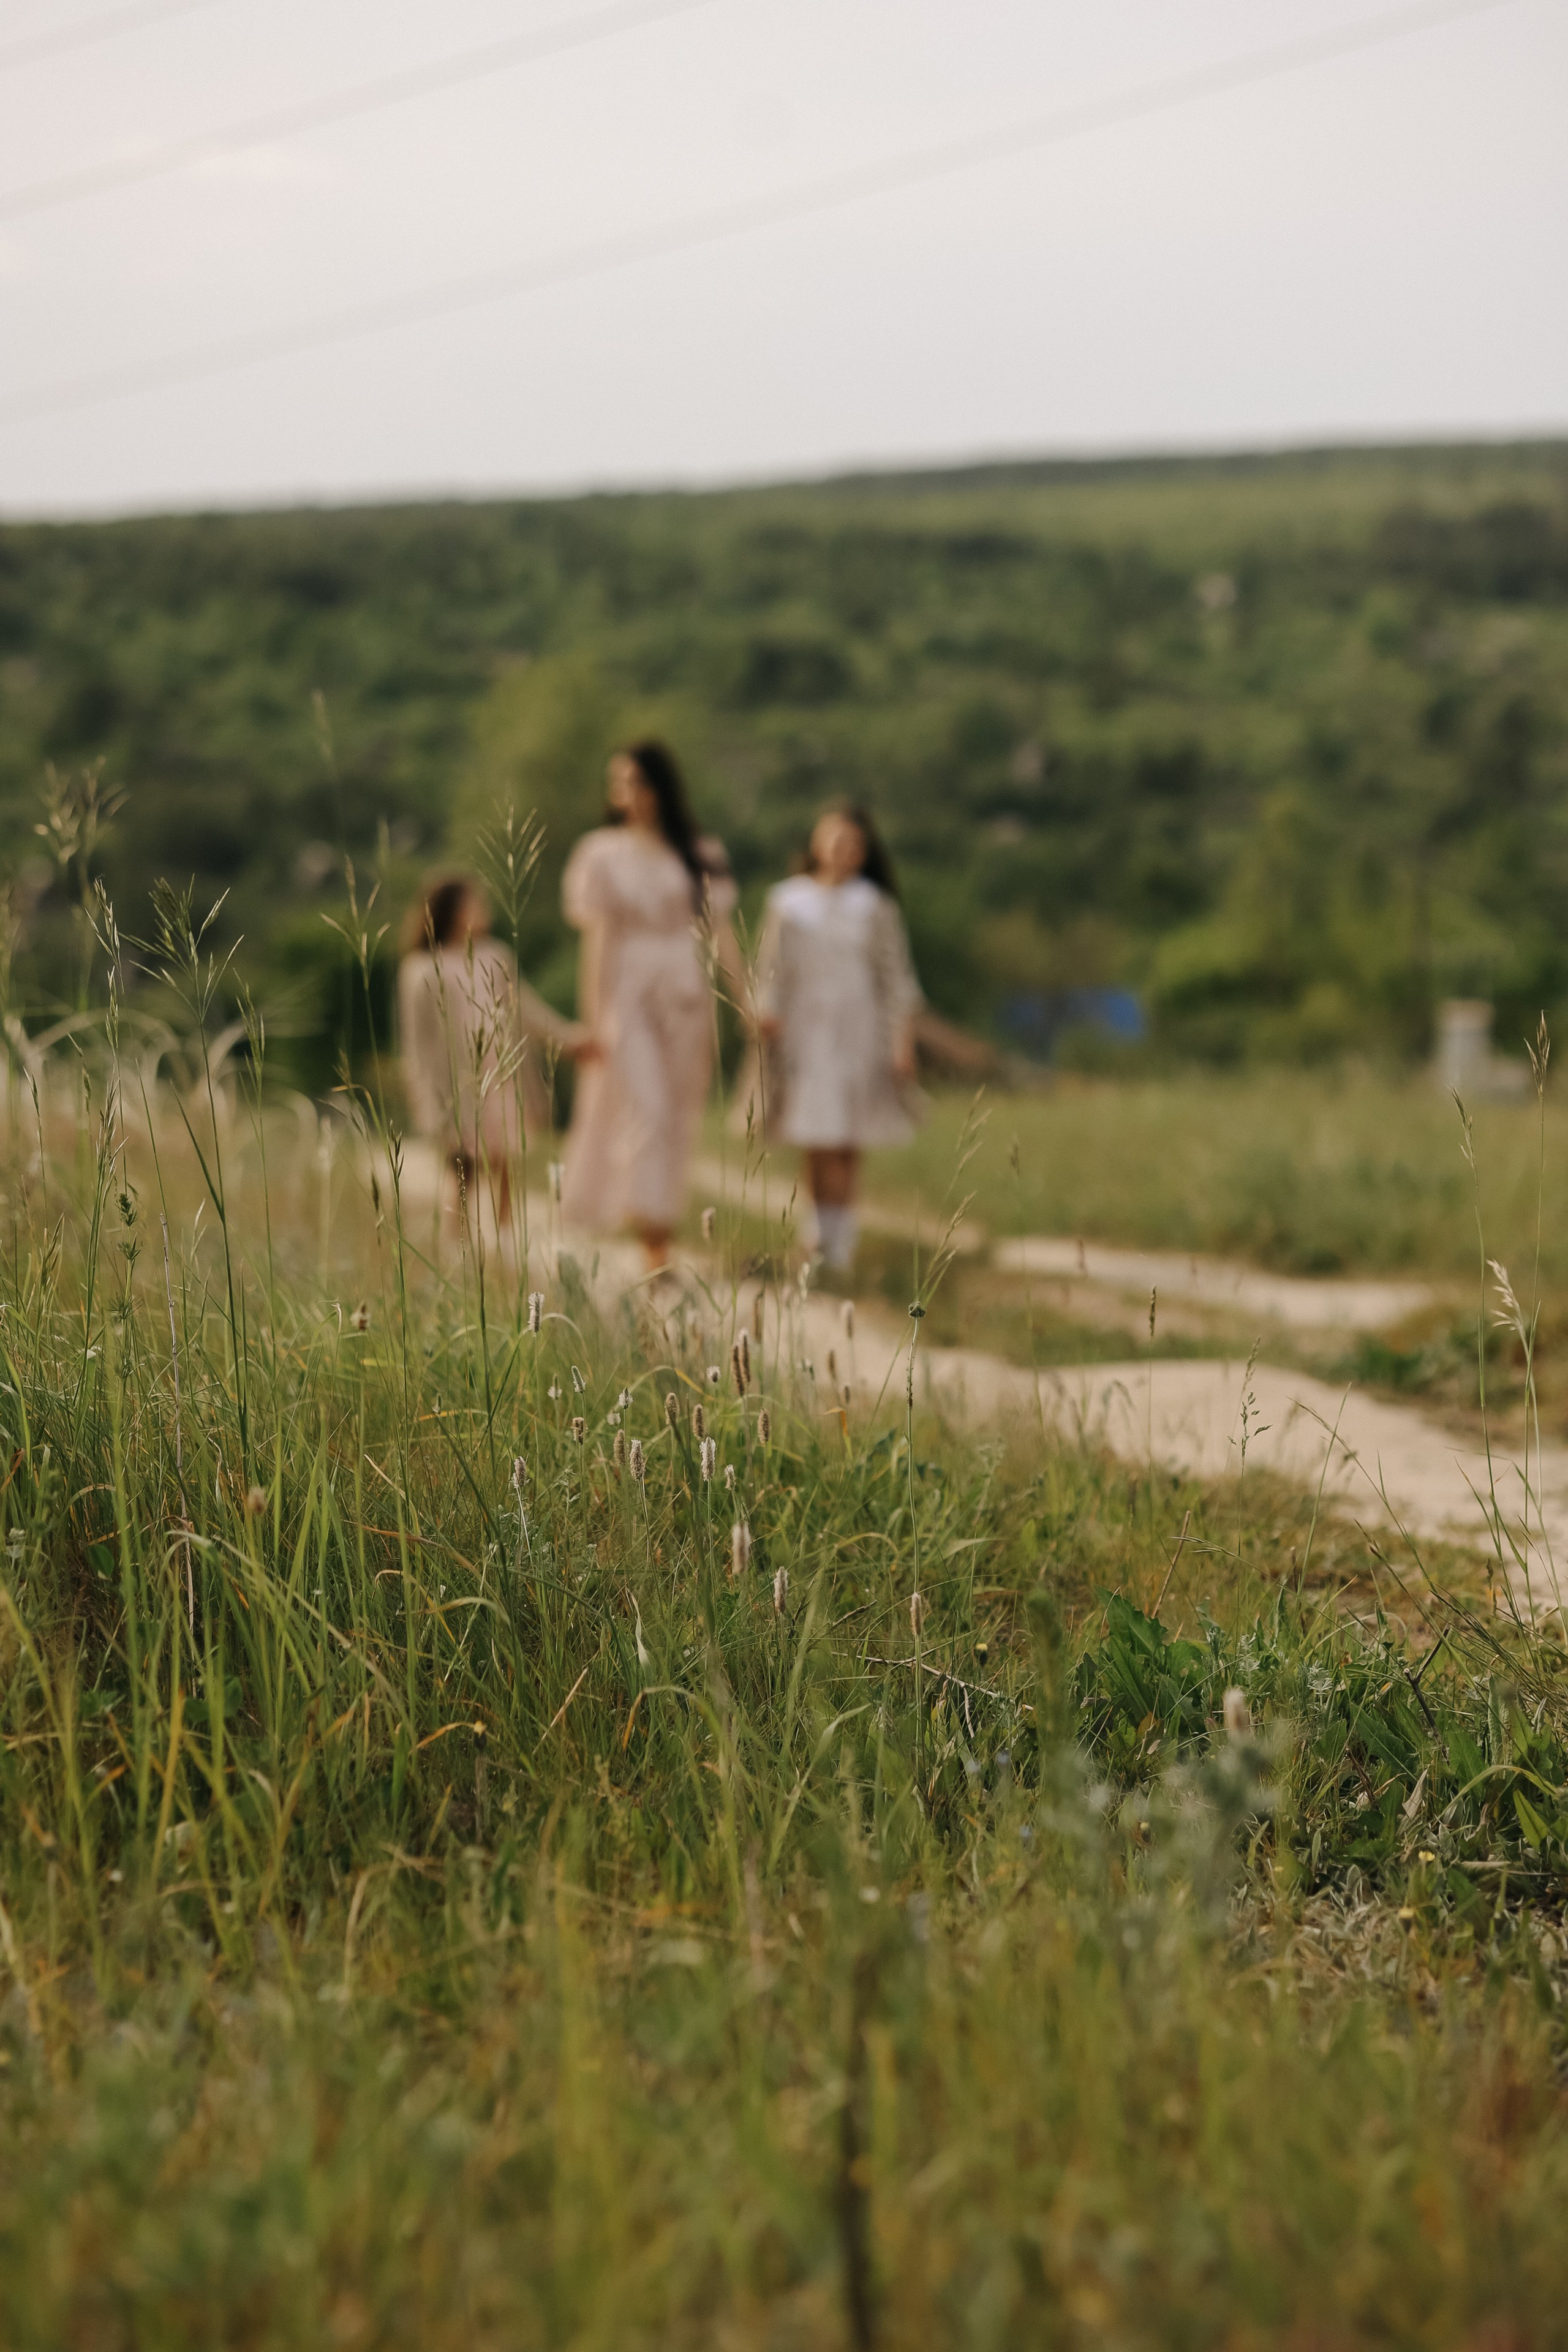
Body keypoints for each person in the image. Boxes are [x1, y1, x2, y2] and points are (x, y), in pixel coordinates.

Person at [560, 740, 739, 1271]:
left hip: (685, 991)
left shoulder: (701, 852)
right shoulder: (601, 853)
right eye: (618, 783)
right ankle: (653, 1247)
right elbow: (597, 941)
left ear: (660, 786)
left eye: (636, 782)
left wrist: (746, 1000)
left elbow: (722, 932)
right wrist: (592, 1019)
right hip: (628, 990)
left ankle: (660, 1230)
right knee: (648, 1107)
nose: (626, 793)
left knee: (678, 1113)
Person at [753, 803, 922, 1273]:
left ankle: (841, 1245)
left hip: (859, 1031)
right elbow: (770, 968)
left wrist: (902, 1043)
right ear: (816, 841)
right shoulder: (788, 902)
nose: (842, 850)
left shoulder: (876, 906)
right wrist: (766, 1011)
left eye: (853, 843)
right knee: (814, 1133)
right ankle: (816, 1233)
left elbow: (897, 979)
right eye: (834, 838)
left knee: (848, 1137)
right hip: (806, 1030)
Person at [398, 870, 588, 1230]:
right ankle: (459, 1239)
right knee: (463, 1165)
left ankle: (504, 1234)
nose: (483, 910)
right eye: (475, 904)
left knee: (506, 1157)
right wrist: (422, 1088)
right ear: (452, 911)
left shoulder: (496, 956)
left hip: (499, 1071)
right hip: (455, 1082)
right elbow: (416, 1039)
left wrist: (567, 1039)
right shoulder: (421, 968)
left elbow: (526, 1010)